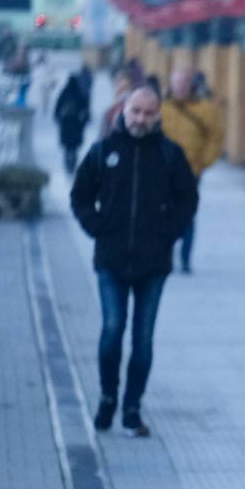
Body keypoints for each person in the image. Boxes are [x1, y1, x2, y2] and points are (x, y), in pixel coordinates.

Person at [70, 86, 199, 438]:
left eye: (147, 113)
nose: (140, 119)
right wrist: (97, 227)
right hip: (111, 259)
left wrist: (168, 234)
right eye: (135, 111)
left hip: (153, 263)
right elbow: (79, 195)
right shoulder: (102, 152)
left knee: (143, 339)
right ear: (123, 110)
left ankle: (132, 408)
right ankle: (108, 397)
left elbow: (188, 200)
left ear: (158, 115)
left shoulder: (170, 155)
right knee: (112, 330)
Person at [160, 67, 225, 274]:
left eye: (184, 83)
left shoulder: (205, 109)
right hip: (162, 169)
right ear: (170, 84)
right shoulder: (161, 108)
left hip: (190, 170)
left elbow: (216, 138)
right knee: (162, 211)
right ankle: (165, 255)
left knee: (187, 212)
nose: (180, 88)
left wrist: (204, 161)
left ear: (191, 85)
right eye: (176, 83)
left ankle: (185, 258)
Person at [53, 70, 92, 175]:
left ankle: (68, 165)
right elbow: (86, 110)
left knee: (67, 148)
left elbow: (57, 108)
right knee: (74, 148)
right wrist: (84, 122)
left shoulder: (64, 93)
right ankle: (72, 165)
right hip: (76, 125)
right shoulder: (80, 93)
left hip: (66, 125)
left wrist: (58, 119)